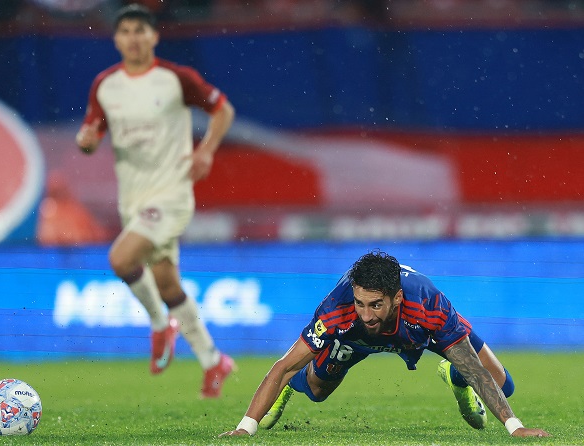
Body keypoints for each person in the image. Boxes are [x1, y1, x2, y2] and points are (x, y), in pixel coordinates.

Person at [75, 4, 236, 398]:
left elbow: (223, 110)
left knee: (120, 259)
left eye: (140, 30)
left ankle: (160, 325)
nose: (133, 38)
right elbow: (91, 132)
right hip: (133, 198)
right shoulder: (105, 85)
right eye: (126, 31)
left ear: (154, 36)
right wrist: (86, 141)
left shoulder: (175, 78)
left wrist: (206, 150)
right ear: (116, 40)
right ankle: (214, 361)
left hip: (172, 193)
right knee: (167, 284)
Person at [219, 250, 550, 437]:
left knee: (501, 383)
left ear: (398, 297)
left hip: (417, 333)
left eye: (376, 304)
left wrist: (515, 428)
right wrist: (244, 429)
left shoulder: (429, 304)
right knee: (317, 391)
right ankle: (295, 387)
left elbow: (477, 370)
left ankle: (454, 377)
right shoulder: (338, 311)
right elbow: (282, 366)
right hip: (355, 342)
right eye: (360, 303)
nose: (366, 315)